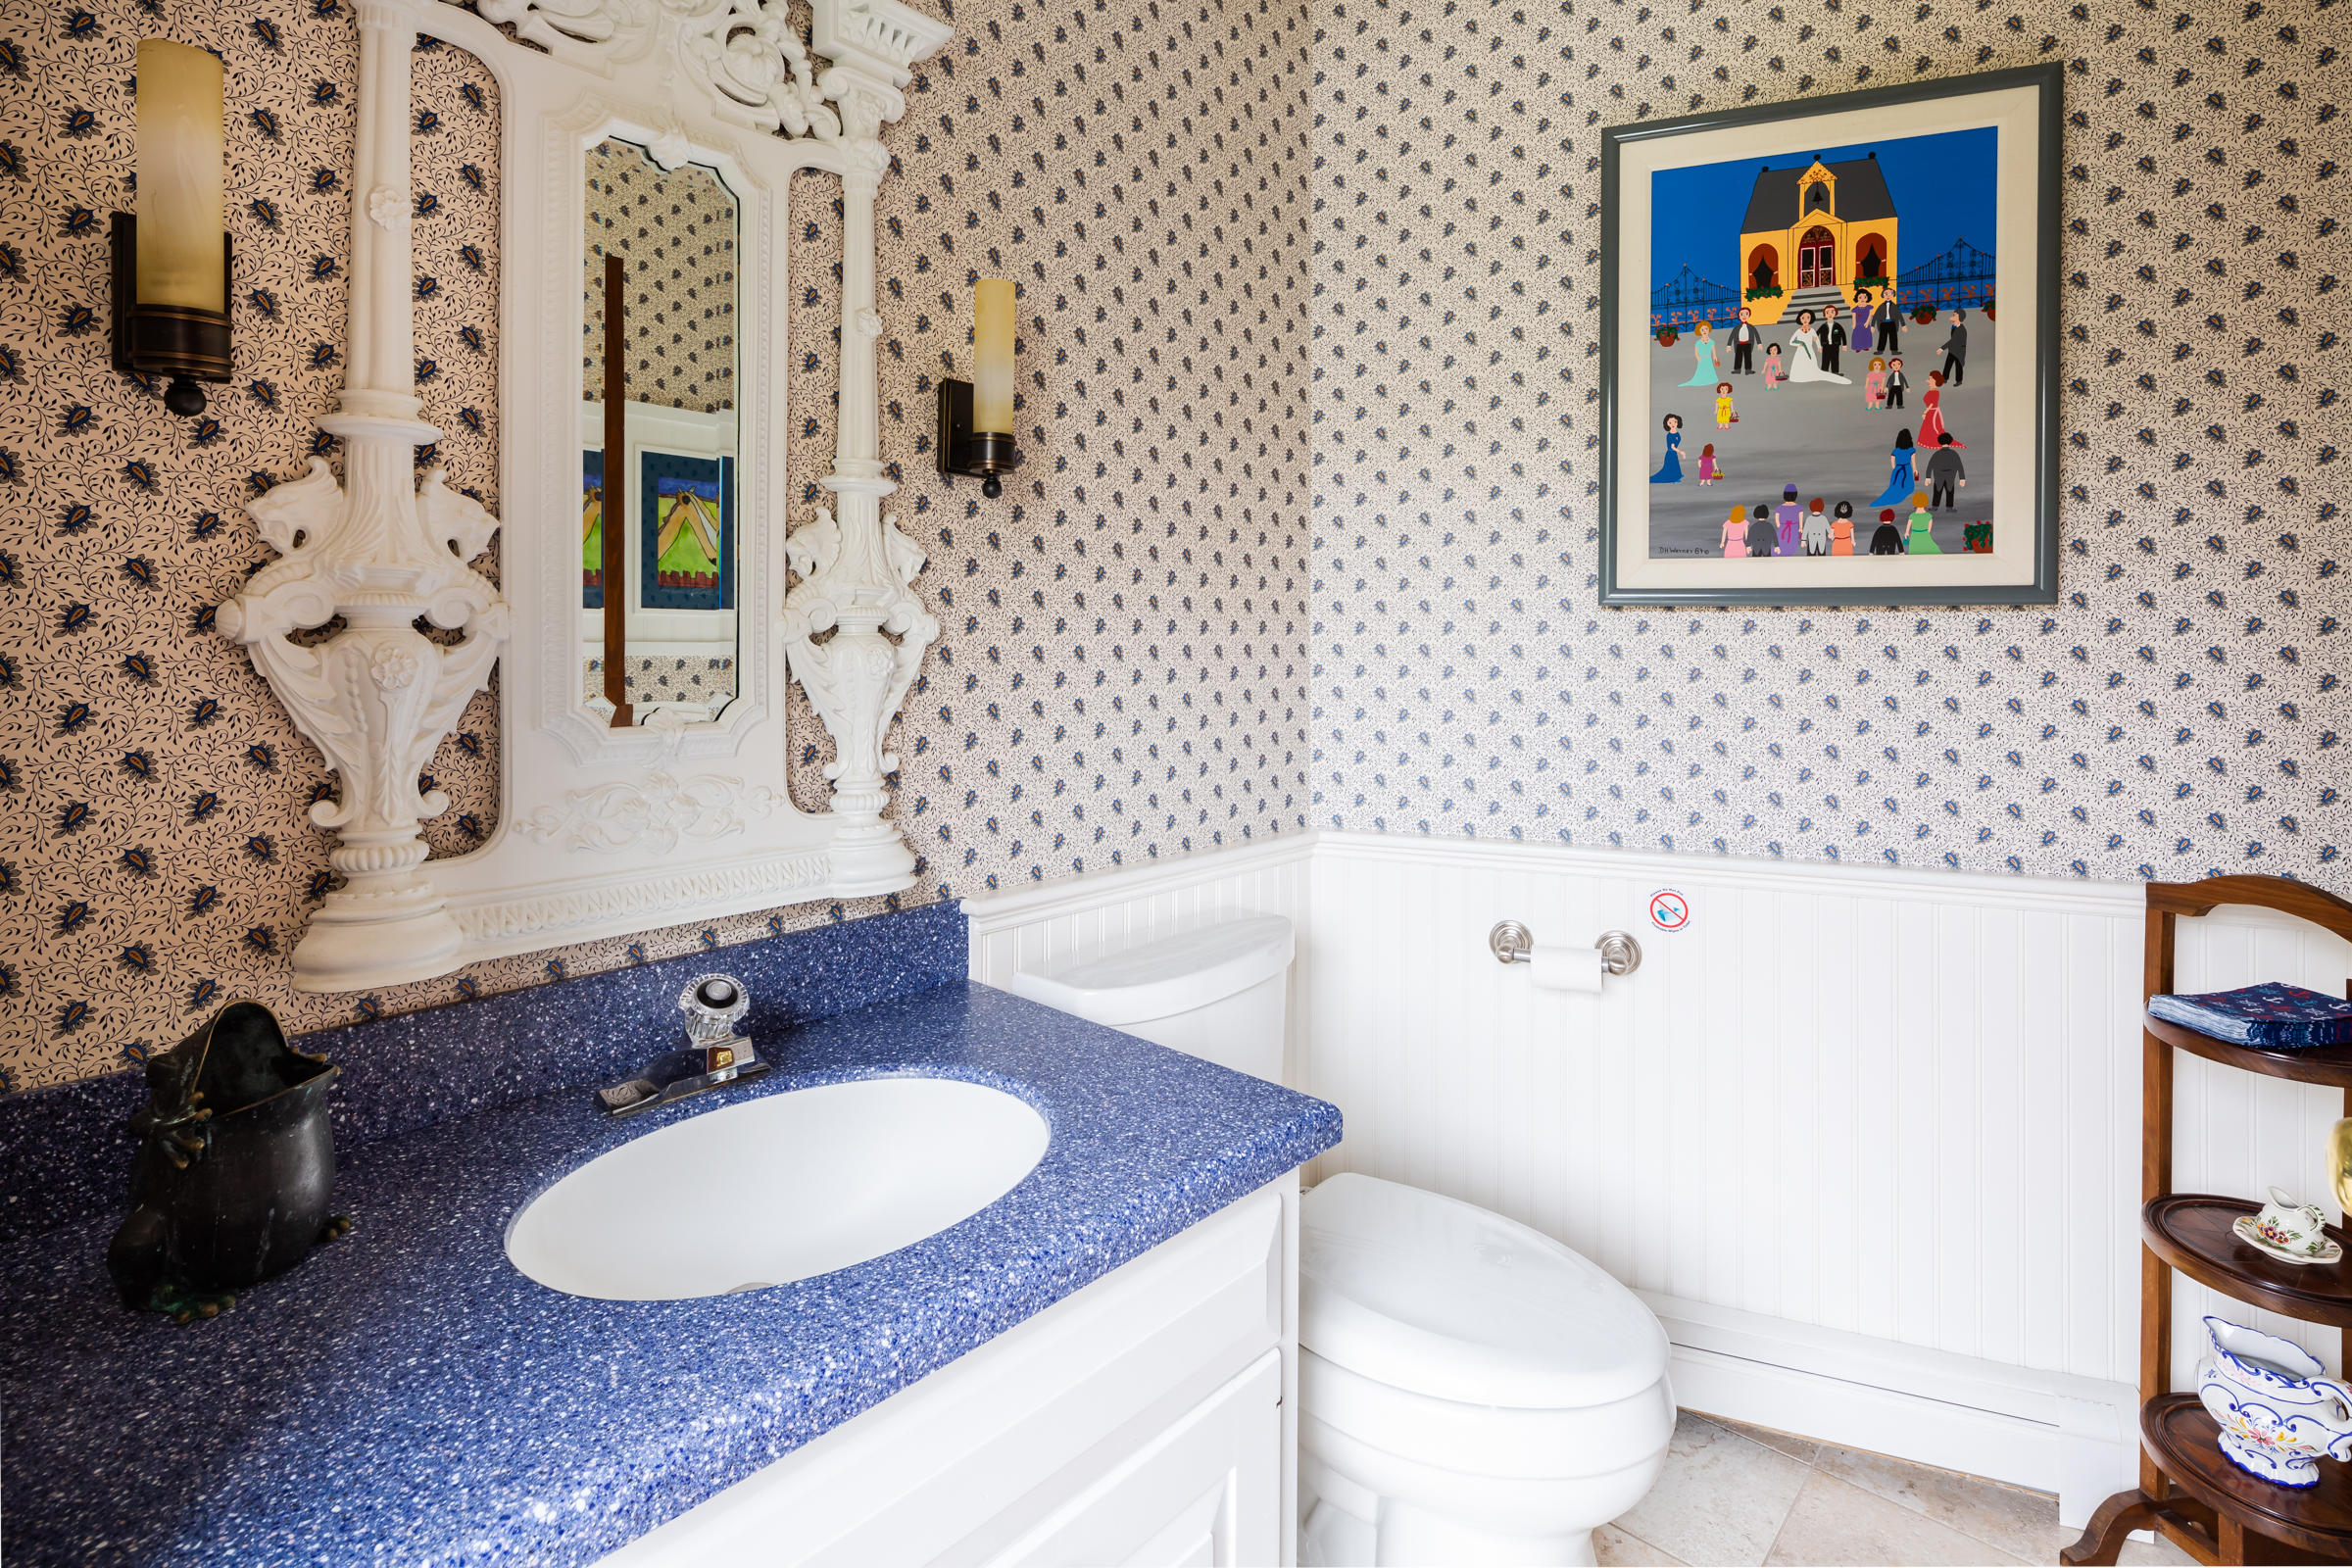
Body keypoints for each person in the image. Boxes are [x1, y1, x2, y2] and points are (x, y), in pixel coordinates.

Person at [1785, 310, 1850, 385]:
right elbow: (1791, 342)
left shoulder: (1812, 330)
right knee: (1801, 364)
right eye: (1803, 318)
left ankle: (1813, 374)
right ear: (1800, 319)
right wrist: (1799, 344)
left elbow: (1816, 339)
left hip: (1810, 350)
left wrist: (1819, 347)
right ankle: (1802, 375)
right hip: (1800, 352)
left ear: (1811, 319)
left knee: (1813, 364)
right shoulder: (1798, 331)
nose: (1805, 320)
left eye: (1808, 317)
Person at [1916, 371, 1964, 451]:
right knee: (1929, 428)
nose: (1927, 380)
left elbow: (1932, 403)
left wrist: (1925, 412)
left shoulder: (1935, 392)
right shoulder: (1931, 390)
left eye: (1929, 379)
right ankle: (1929, 442)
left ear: (1935, 380)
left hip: (1933, 412)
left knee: (1936, 428)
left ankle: (1941, 442)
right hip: (1930, 412)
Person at [1871, 427, 1917, 508]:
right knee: (1908, 487)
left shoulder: (1895, 451)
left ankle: (1891, 497)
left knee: (1894, 487)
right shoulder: (1911, 450)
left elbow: (1892, 463)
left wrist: (1896, 470)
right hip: (1907, 468)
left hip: (1897, 470)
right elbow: (1913, 463)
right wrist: (1915, 471)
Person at [1924, 431, 1967, 510]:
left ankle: (1935, 506)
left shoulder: (1936, 454)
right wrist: (1962, 479)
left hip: (1938, 476)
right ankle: (1949, 507)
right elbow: (1959, 466)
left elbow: (1930, 466)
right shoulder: (1954, 454)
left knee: (1937, 491)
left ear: (1939, 441)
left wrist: (1928, 478)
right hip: (1950, 476)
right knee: (1950, 491)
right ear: (1950, 441)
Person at [1680, 319, 1722, 387]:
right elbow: (1696, 353)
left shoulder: (1712, 342)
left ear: (1709, 330)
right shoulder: (1698, 343)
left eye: (1706, 329)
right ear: (1699, 331)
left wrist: (1716, 359)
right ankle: (1701, 380)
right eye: (1702, 330)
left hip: (1708, 359)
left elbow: (1714, 353)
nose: (1704, 331)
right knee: (1701, 371)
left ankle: (1710, 380)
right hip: (1702, 359)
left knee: (1709, 370)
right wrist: (1699, 359)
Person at [1650, 413, 1684, 483]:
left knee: (1675, 465)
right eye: (1670, 422)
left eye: (1675, 422)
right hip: (1670, 453)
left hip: (1673, 453)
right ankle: (1672, 478)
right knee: (1670, 466)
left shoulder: (1676, 433)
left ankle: (1676, 476)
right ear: (1667, 424)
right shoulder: (1669, 435)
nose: (1673, 424)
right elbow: (1672, 446)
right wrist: (1680, 451)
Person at [1938, 308, 1968, 386]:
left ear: (1959, 317)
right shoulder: (1954, 327)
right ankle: (1944, 378)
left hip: (1959, 351)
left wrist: (1942, 348)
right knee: (1948, 364)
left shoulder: (1961, 329)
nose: (1952, 317)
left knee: (1958, 366)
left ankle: (1959, 380)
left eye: (1954, 315)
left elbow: (1953, 340)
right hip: (1952, 349)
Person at [1774, 485, 1804, 557]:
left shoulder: (1779, 508)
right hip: (1794, 530)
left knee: (1782, 549)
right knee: (1791, 550)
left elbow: (1777, 522)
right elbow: (1801, 523)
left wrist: (1781, 527)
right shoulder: (1799, 508)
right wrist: (1800, 529)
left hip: (1782, 531)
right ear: (1795, 495)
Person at [1729, 306, 1760, 375]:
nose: (1744, 316)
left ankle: (1748, 370)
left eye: (1746, 314)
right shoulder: (1736, 327)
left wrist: (1759, 343)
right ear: (1739, 316)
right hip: (1739, 344)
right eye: (1741, 314)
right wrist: (1729, 345)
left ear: (1749, 315)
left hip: (1748, 344)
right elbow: (1731, 336)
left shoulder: (1751, 327)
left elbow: (1756, 334)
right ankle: (1737, 369)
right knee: (1738, 357)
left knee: (1748, 357)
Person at [1872, 286, 1903, 357]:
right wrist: (1872, 325)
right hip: (1883, 324)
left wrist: (1903, 325)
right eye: (1886, 294)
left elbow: (1899, 315)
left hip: (1892, 323)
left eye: (1890, 294)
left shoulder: (1894, 306)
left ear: (1893, 295)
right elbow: (1875, 316)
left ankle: (1894, 350)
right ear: (1883, 295)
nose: (1888, 296)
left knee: (1893, 337)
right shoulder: (1881, 306)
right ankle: (1880, 350)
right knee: (1882, 337)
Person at [1822, 312, 1848, 376]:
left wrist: (1844, 345)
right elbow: (1816, 333)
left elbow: (1843, 334)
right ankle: (1824, 372)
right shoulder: (1823, 326)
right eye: (1828, 313)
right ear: (1825, 315)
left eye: (1832, 312)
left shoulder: (1837, 325)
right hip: (1826, 345)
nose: (1830, 315)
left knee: (1835, 358)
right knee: (1825, 358)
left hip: (1835, 345)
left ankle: (1835, 371)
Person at [1851, 288, 1876, 357]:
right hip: (1858, 325)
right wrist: (1854, 324)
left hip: (1865, 324)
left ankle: (1865, 346)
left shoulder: (1869, 307)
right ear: (1857, 298)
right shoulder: (1855, 309)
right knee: (1857, 336)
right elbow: (1854, 317)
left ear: (1868, 298)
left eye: (1864, 297)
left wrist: (1867, 322)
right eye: (1860, 297)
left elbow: (1870, 315)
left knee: (1866, 335)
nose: (1862, 299)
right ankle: (1858, 347)